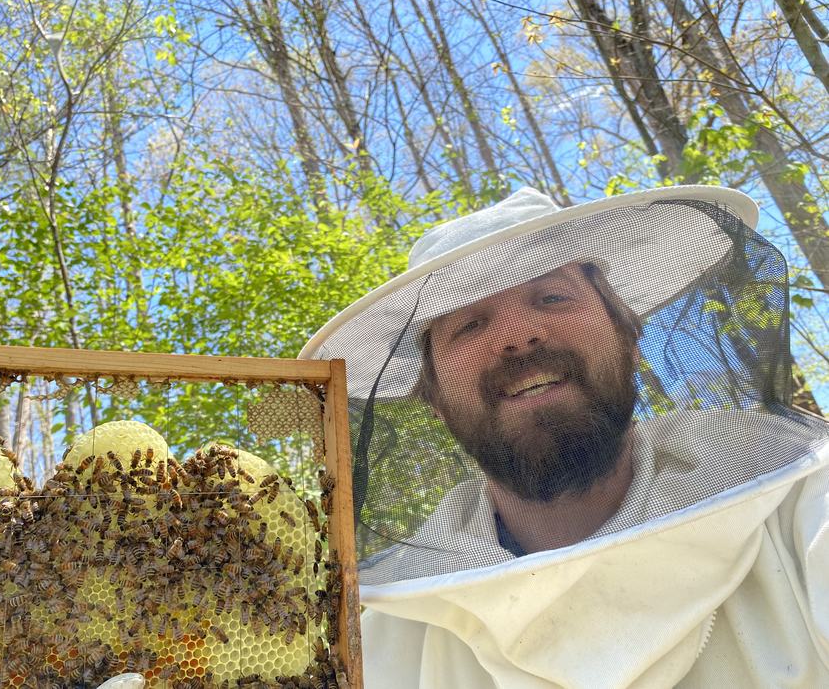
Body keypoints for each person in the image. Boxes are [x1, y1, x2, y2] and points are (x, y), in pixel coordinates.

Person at [299, 186, 829, 687]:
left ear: (629, 337)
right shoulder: (391, 631)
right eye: (469, 324)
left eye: (552, 296)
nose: (517, 335)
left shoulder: (800, 501)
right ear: (433, 400)